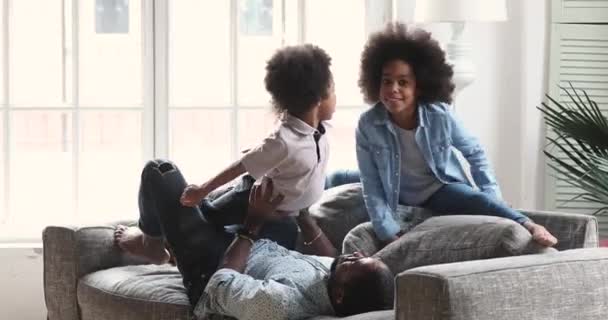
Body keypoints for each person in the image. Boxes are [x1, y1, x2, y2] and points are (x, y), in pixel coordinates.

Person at [355, 23, 558, 247]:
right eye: (387, 81)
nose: (393, 88)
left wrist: (492, 196)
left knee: (478, 201)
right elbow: (371, 185)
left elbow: (475, 154)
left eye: (403, 82)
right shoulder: (368, 125)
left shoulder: (440, 115)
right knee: (346, 180)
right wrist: (388, 233)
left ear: (419, 87)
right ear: (375, 82)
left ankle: (530, 225)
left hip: (440, 188)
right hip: (399, 199)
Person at [116, 160, 394, 319]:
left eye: (355, 263)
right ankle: (195, 221)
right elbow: (332, 258)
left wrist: (253, 224)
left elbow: (222, 284)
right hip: (259, 245)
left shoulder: (282, 303)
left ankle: (154, 244)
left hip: (213, 263)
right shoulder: (335, 279)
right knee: (265, 182)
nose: (355, 255)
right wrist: (302, 214)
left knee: (160, 171)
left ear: (340, 295)